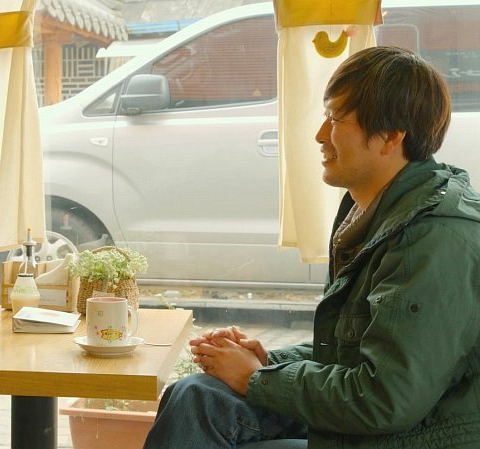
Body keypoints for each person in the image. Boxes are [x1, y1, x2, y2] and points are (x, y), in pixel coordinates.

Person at [143, 46, 480, 448]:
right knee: (196, 396)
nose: (320, 134)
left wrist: (254, 377)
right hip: (374, 427)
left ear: (391, 137)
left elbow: (384, 399)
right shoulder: (374, 210)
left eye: (335, 119)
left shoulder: (431, 241)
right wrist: (267, 360)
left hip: (405, 437)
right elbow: (349, 352)